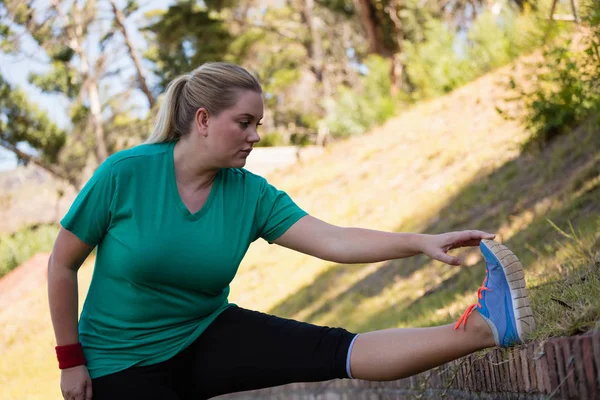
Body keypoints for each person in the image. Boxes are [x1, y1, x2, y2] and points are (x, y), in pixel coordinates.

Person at [48, 62, 535, 400]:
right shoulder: (126, 174)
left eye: (257, 123)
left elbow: (335, 240)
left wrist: (419, 242)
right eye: (244, 122)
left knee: (330, 348)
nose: (255, 136)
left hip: (204, 331)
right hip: (120, 364)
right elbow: (62, 263)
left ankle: (483, 328)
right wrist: (71, 360)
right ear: (202, 120)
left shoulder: (251, 194)